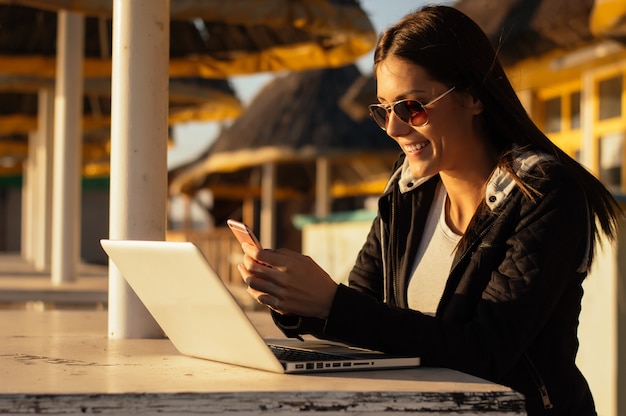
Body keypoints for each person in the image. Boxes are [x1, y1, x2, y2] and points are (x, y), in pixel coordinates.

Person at [236, 5, 622, 415]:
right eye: (383, 109)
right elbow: (365, 311)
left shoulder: (543, 193)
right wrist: (294, 301)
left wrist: (331, 303)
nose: (393, 128)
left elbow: (486, 352)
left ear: (473, 96)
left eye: (412, 107)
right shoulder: (408, 191)